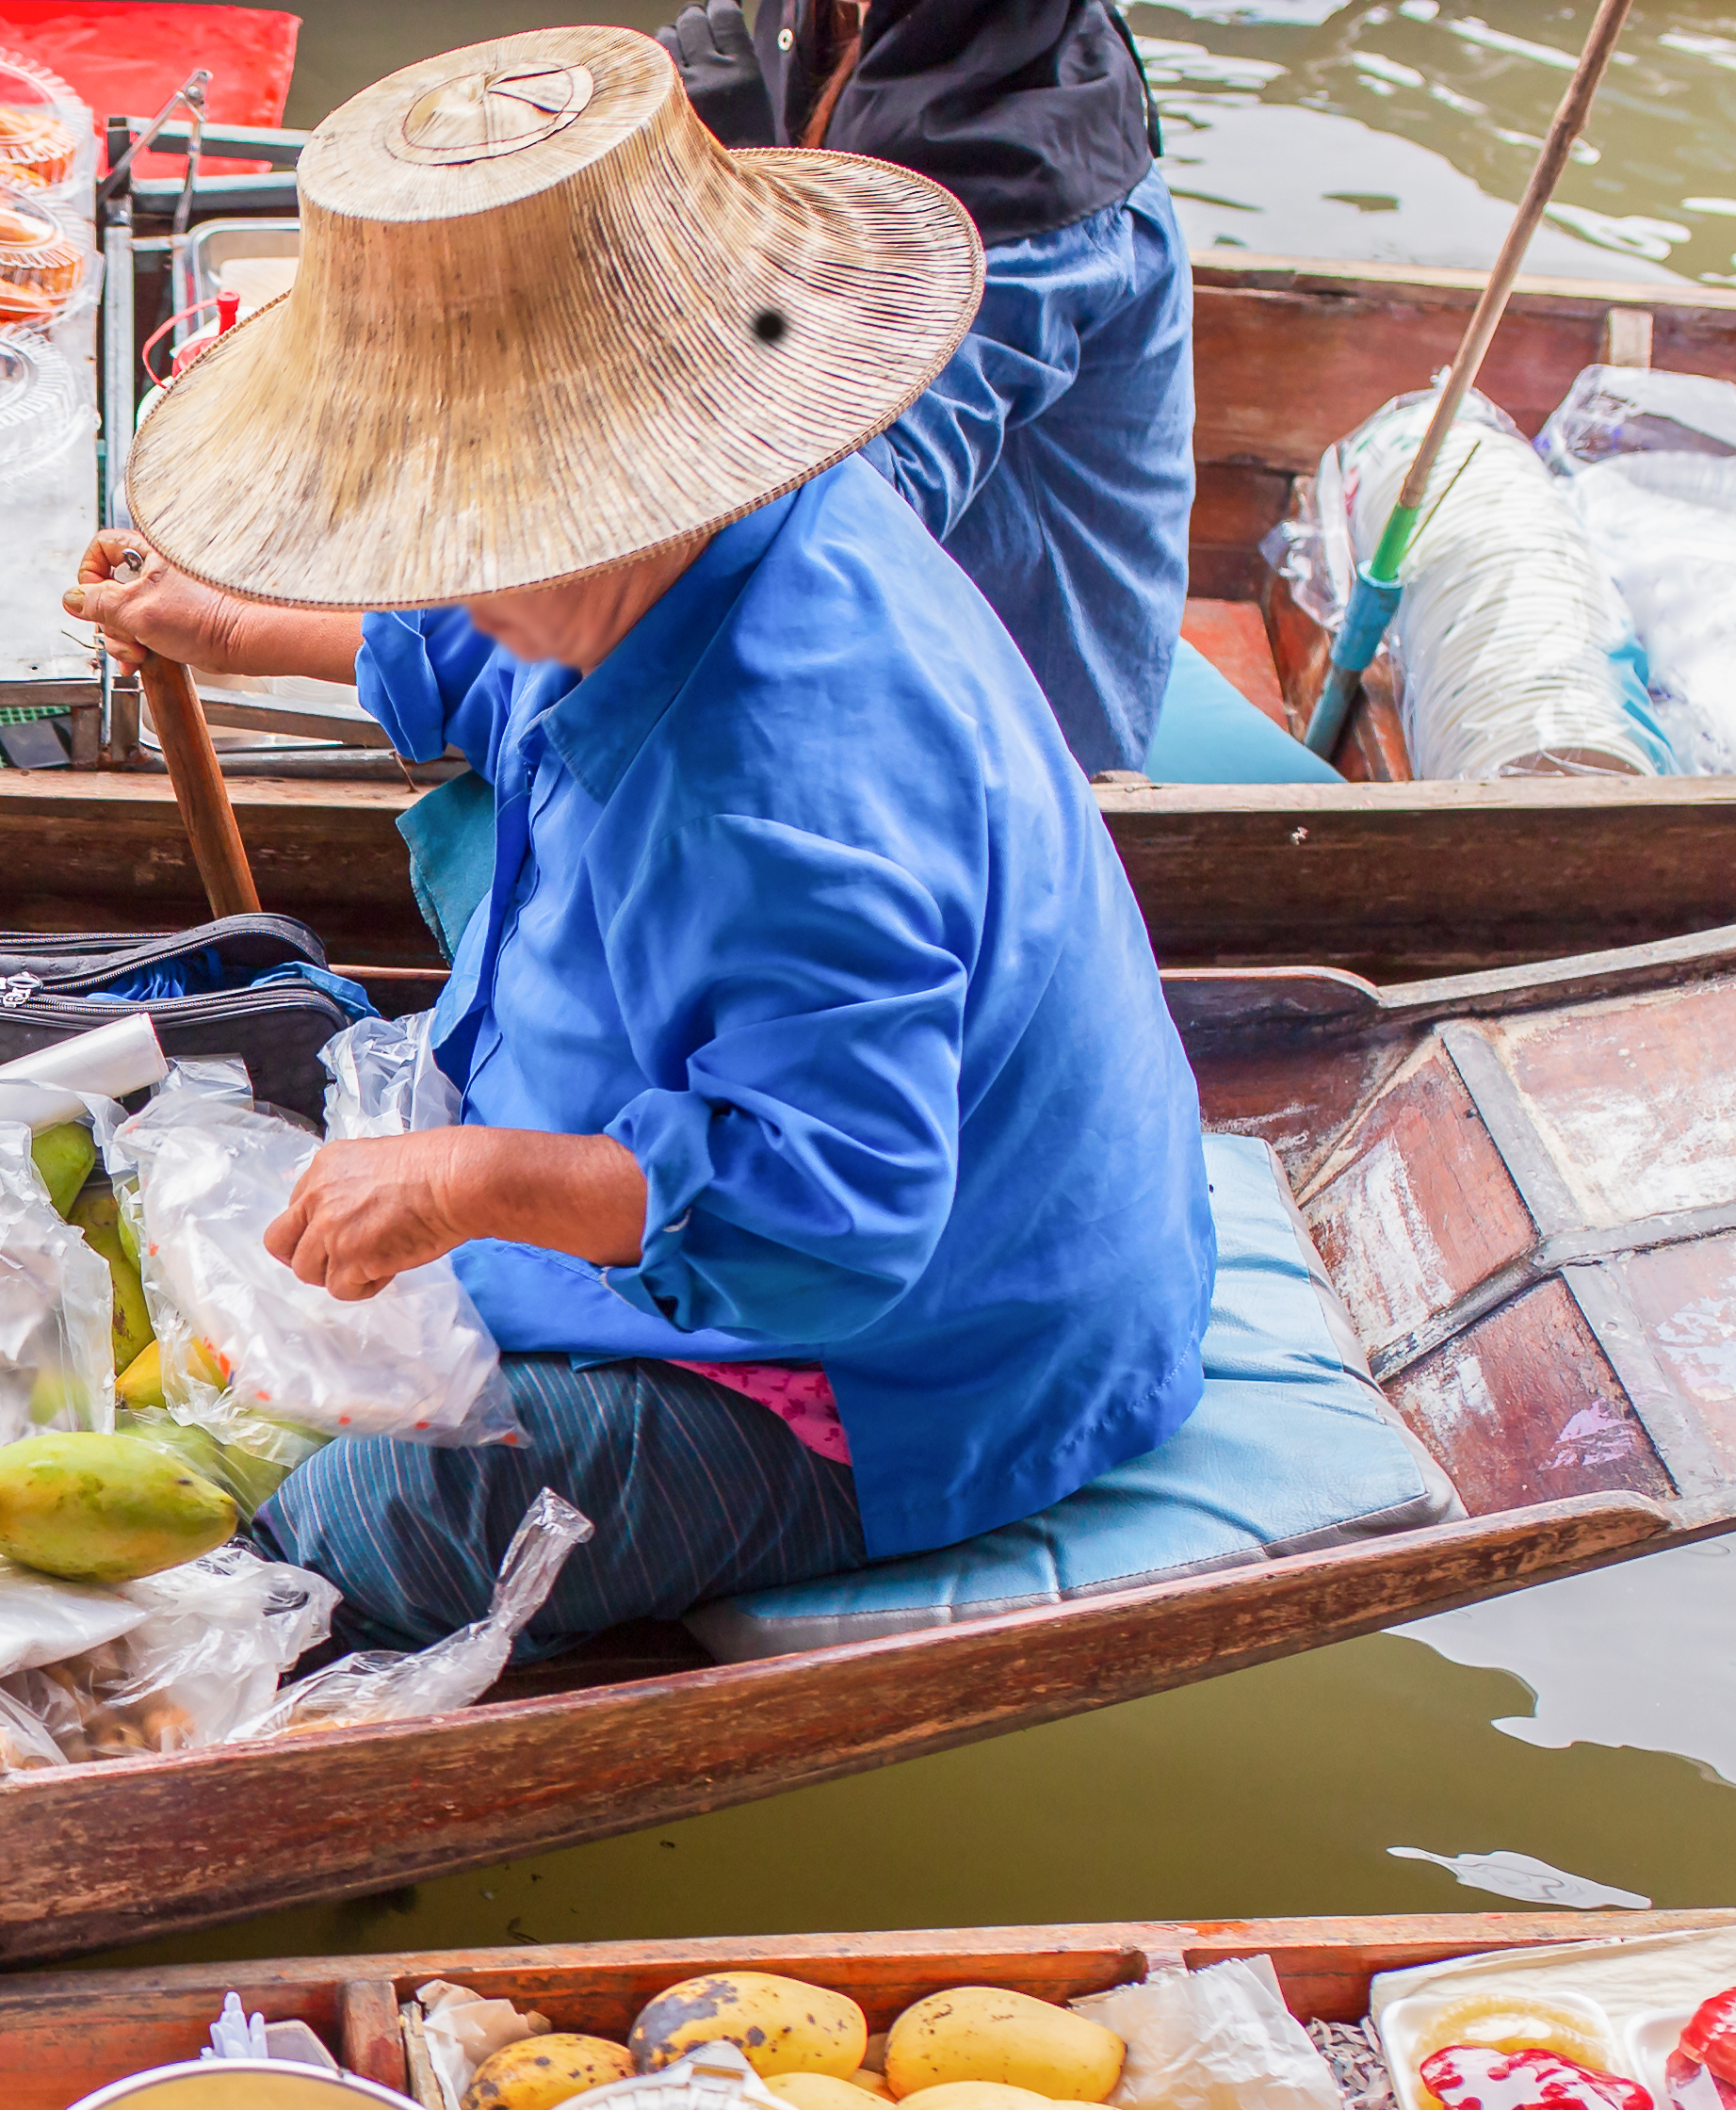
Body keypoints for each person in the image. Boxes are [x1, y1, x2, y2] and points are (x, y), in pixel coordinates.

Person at [68, 26, 1214, 1661]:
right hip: (811, 1192)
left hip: (915, 1351)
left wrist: (473, 1177)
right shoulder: (698, 533)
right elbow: (489, 651)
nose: (442, 588)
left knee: (363, 1525)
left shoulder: (780, 788)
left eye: (454, 546)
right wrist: (231, 624)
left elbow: (831, 1220)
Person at [668, 0, 1208, 778]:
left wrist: (749, 218)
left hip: (1015, 750)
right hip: (871, 642)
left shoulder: (1029, 164)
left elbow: (844, 528)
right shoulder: (822, 22)